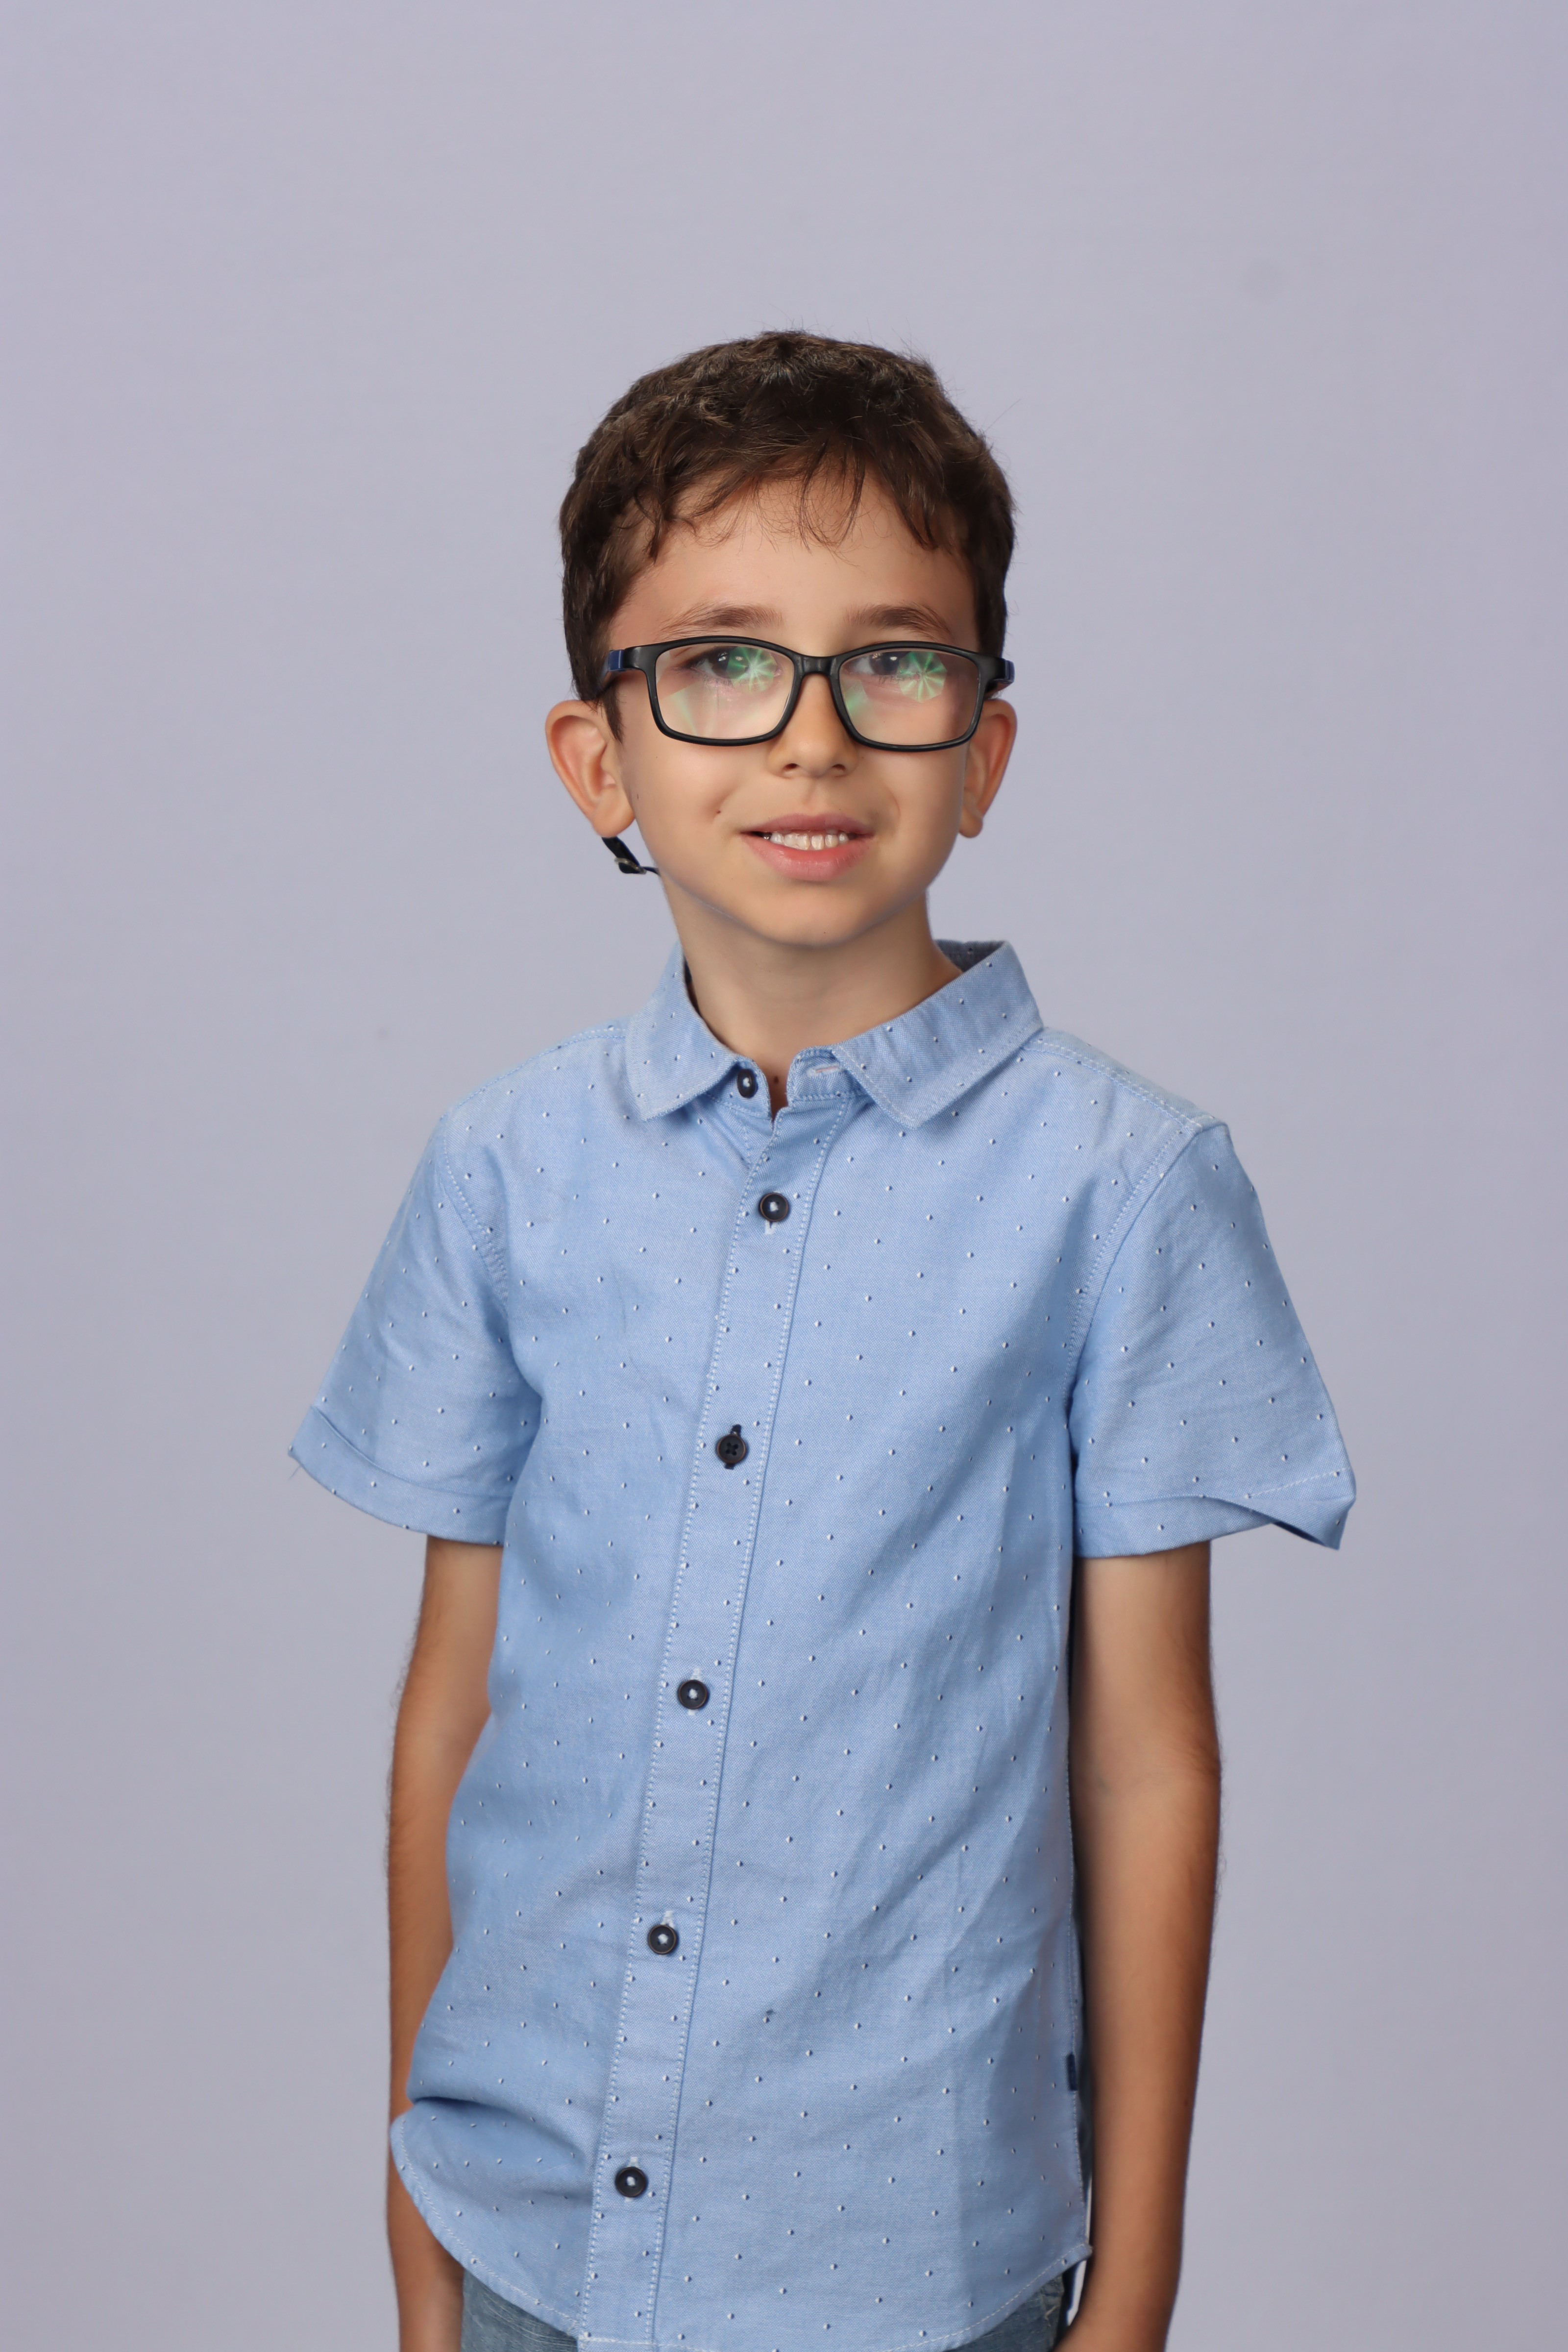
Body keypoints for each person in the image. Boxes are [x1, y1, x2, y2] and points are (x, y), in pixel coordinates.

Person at [292, 331, 1354, 2352]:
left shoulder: (1122, 1188)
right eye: (720, 663)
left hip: (916, 2266)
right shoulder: (505, 1166)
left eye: (892, 663)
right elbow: (451, 1716)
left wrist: (1131, 2291)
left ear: (983, 748)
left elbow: (1146, 1765)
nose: (809, 739)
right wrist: (421, 2231)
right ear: (598, 760)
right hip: (525, 2238)